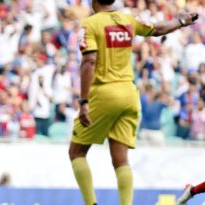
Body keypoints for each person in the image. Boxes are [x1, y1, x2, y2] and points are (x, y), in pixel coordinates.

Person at [67, 0, 198, 204]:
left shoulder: (90, 24)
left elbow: (89, 62)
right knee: (121, 160)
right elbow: (157, 29)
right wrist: (181, 21)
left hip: (104, 93)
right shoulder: (127, 20)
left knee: (76, 152)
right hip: (129, 94)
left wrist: (84, 101)